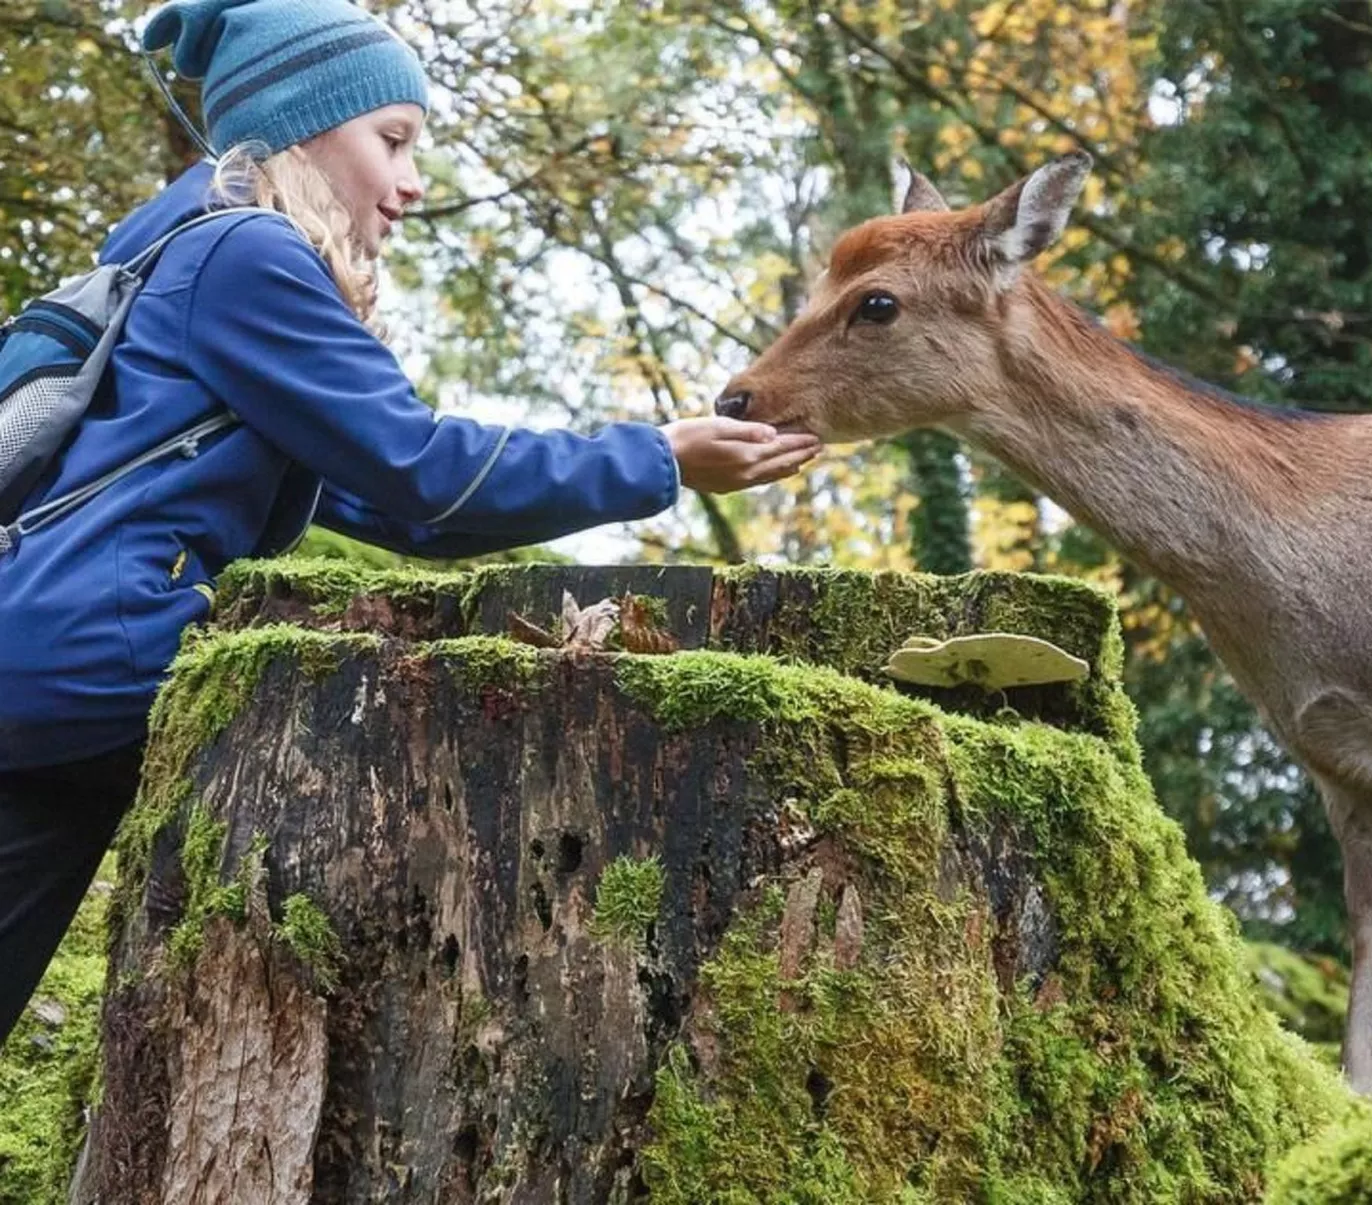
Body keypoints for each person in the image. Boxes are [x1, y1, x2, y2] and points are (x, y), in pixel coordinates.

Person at [0, 0, 820, 1044]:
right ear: (301, 128)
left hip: (42, 683)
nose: (412, 182)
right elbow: (424, 470)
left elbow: (401, 507)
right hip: (97, 667)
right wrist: (656, 456)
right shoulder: (243, 256)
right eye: (392, 140)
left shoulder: (183, 252)